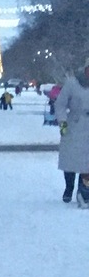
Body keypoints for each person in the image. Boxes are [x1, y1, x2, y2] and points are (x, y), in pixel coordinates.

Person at [56, 62, 89, 203]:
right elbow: (60, 104)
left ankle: (84, 190)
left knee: (87, 161)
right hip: (74, 124)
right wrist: (63, 122)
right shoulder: (72, 83)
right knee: (70, 158)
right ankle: (69, 187)